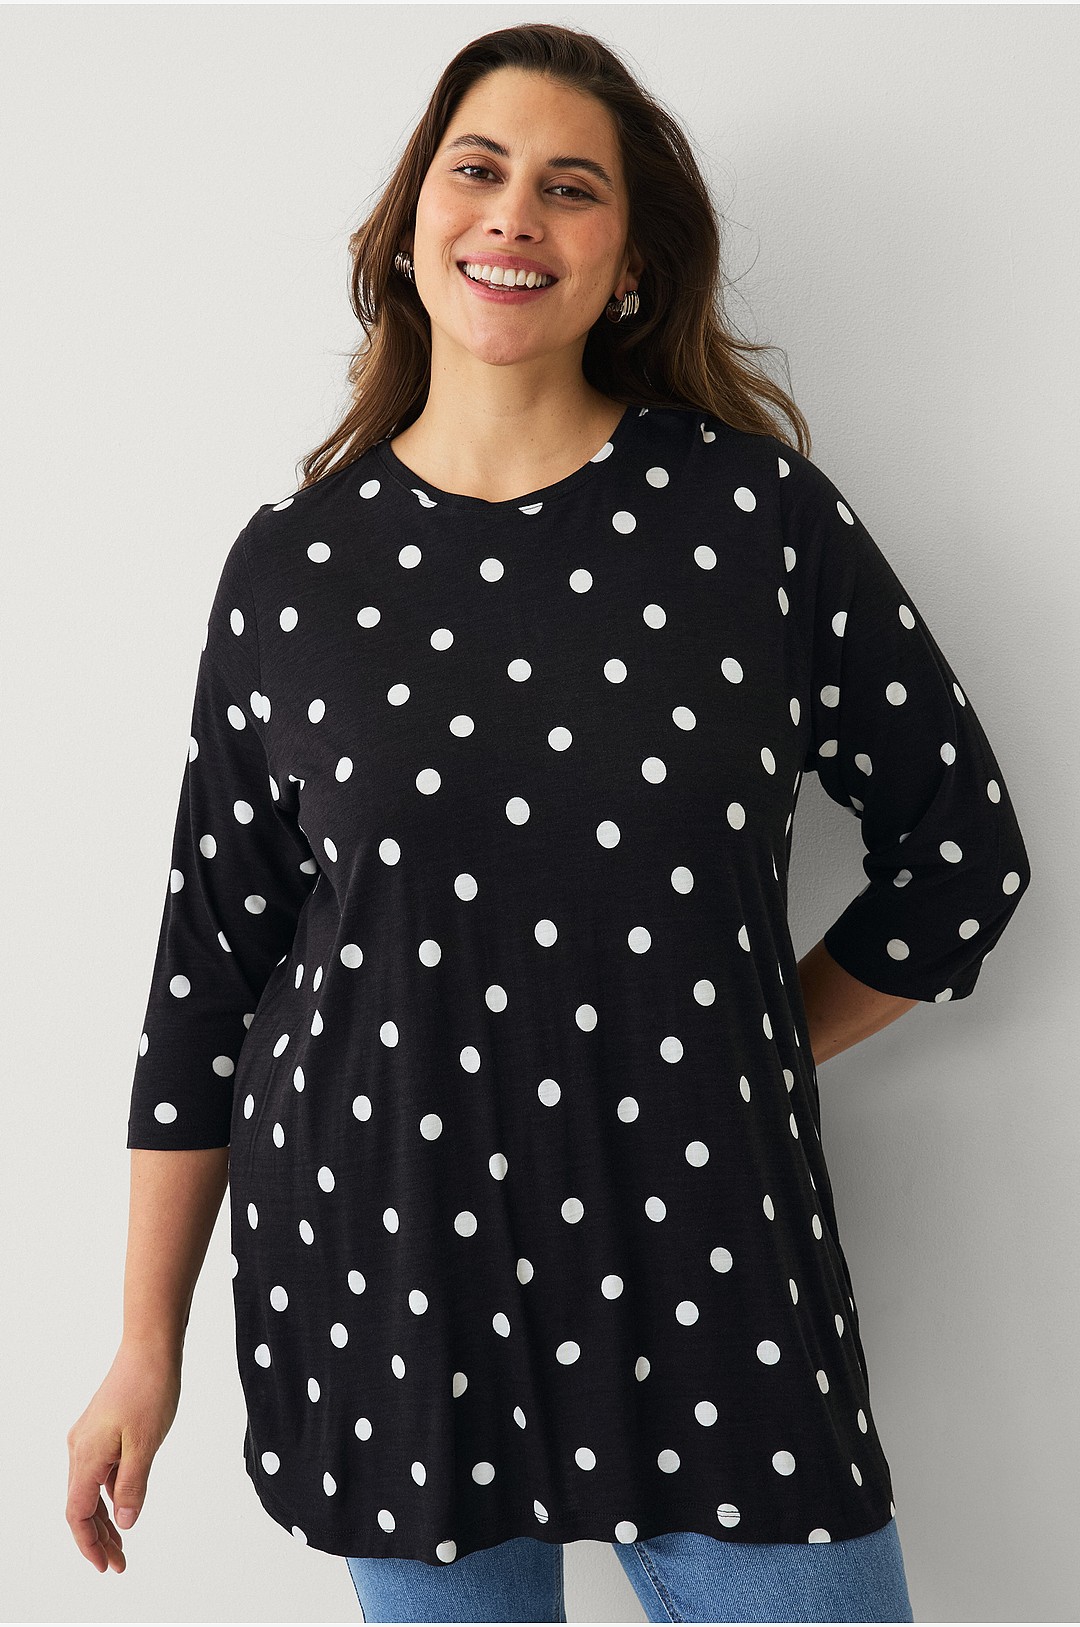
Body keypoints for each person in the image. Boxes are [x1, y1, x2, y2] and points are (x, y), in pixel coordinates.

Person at [66, 22, 1031, 1624]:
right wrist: (141, 1345)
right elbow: (205, 986)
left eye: (571, 187)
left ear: (630, 263)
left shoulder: (757, 524)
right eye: (479, 169)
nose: (515, 213)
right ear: (412, 225)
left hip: (713, 1271)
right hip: (388, 1273)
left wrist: (746, 1040)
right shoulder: (293, 569)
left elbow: (961, 854)